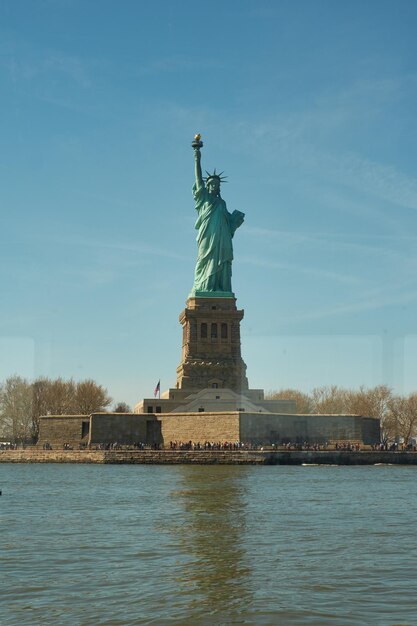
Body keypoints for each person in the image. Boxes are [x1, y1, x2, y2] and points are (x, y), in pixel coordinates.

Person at [190, 144, 244, 295]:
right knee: (203, 260)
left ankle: (220, 287)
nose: (214, 186)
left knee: (222, 263)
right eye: (211, 184)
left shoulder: (222, 203)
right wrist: (197, 158)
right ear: (207, 186)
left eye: (217, 184)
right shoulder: (204, 199)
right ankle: (203, 286)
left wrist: (235, 222)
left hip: (222, 239)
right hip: (207, 236)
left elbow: (228, 226)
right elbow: (198, 180)